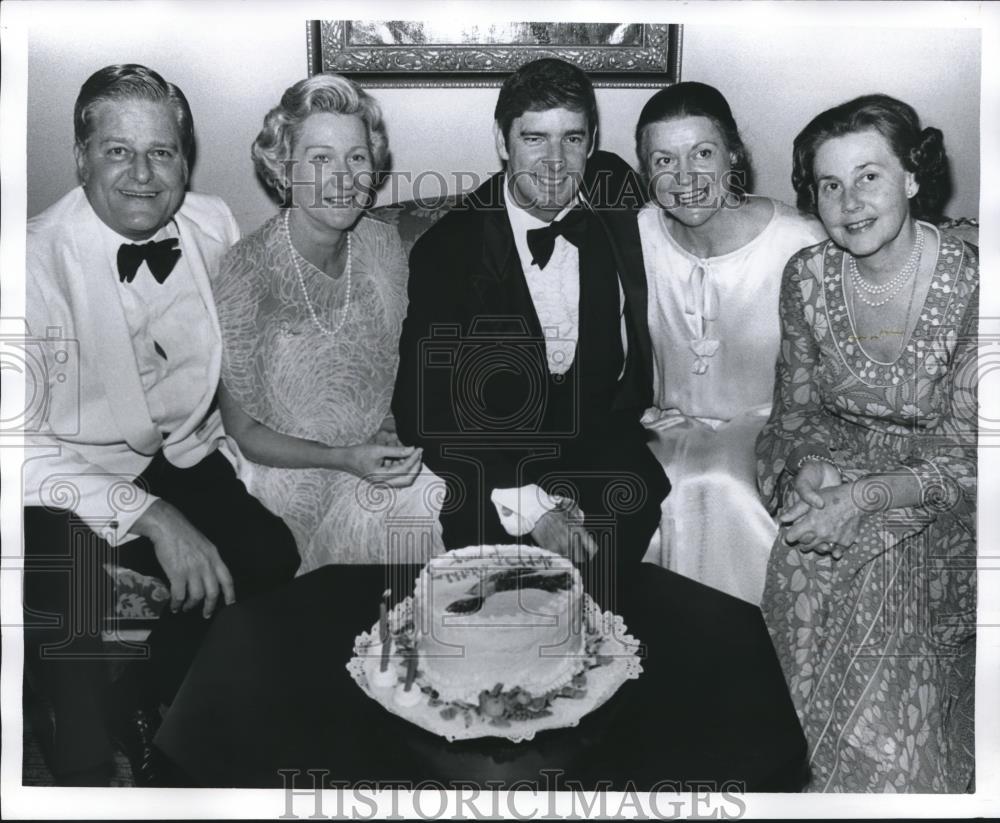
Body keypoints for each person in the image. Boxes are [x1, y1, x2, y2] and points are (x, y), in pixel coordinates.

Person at [22, 64, 300, 786]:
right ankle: (79, 744)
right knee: (79, 711)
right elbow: (11, 449)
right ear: (81, 156)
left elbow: (241, 361)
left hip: (176, 449)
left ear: (186, 155)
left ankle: (141, 692)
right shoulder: (25, 262)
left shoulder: (213, 222)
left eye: (163, 152)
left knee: (269, 554)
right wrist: (152, 517)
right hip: (63, 477)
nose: (144, 175)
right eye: (119, 151)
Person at [756, 94, 977, 792]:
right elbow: (790, 413)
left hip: (942, 487)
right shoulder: (807, 277)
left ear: (914, 176)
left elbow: (972, 455)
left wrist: (862, 498)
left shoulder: (977, 284)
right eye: (829, 183)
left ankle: (877, 784)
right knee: (800, 545)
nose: (849, 201)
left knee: (875, 559)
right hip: (838, 467)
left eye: (869, 176)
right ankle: (785, 777)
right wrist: (804, 474)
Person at [392, 58, 669, 607]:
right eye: (533, 138)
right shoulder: (449, 250)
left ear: (592, 144)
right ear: (502, 140)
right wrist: (533, 507)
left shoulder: (613, 193)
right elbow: (420, 405)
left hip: (596, 443)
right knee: (505, 606)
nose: (554, 161)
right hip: (493, 457)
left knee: (628, 523)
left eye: (572, 138)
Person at [213, 73, 444, 570]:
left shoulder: (385, 248)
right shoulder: (245, 271)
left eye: (356, 157)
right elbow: (244, 431)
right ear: (284, 168)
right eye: (320, 159)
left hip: (377, 462)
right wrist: (343, 458)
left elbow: (403, 368)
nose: (343, 178)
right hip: (287, 475)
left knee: (437, 493)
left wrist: (389, 425)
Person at [635, 83, 826, 604]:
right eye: (663, 159)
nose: (685, 177)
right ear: (646, 172)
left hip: (767, 425)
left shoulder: (799, 239)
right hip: (662, 426)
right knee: (635, 485)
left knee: (715, 482)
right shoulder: (637, 235)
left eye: (702, 153)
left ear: (733, 156)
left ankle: (743, 651)